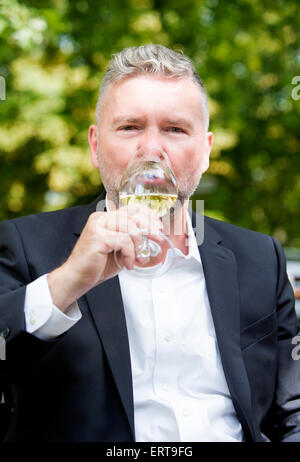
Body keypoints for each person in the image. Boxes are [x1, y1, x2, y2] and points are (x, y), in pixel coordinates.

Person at [0, 44, 299, 442]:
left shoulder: (261, 258)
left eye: (175, 129)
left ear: (206, 150)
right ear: (94, 145)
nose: (151, 149)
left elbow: (291, 410)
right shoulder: (25, 243)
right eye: (129, 127)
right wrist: (65, 284)